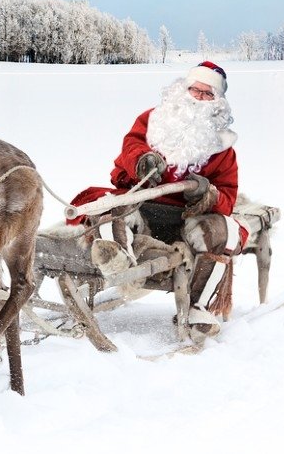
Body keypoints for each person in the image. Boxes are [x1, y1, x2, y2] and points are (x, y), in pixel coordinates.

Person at [68, 61, 248, 340]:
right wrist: (143, 161)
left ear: (218, 102)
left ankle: (197, 307)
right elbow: (131, 147)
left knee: (224, 229)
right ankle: (120, 261)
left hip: (186, 218)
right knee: (110, 206)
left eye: (207, 94)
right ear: (183, 90)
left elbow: (228, 196)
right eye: (194, 90)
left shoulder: (223, 148)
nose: (198, 98)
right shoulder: (153, 120)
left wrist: (206, 192)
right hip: (143, 204)